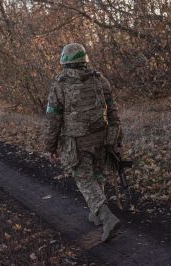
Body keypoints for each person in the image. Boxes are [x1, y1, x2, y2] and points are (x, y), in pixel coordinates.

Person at [44, 43, 123, 242]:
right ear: (84, 59)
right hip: (102, 137)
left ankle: (106, 217)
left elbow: (53, 119)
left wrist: (50, 147)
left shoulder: (60, 84)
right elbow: (112, 110)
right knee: (97, 174)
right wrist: (115, 137)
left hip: (77, 142)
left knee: (84, 179)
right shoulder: (100, 79)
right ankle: (95, 214)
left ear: (65, 62)